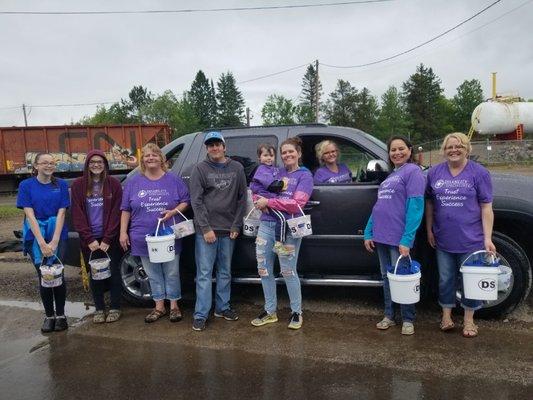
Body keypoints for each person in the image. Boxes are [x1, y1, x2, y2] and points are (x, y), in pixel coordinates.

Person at [425, 132, 496, 338]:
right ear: (444, 150)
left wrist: (487, 238)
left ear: (467, 148)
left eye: (459, 146)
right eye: (449, 147)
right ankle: (446, 316)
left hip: (471, 239)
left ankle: (468, 320)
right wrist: (429, 229)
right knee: (446, 279)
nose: (454, 150)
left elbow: (486, 207)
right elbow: (430, 203)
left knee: (469, 281)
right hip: (443, 238)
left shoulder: (479, 173)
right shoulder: (435, 173)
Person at [120, 143, 190, 323]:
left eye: (154, 155)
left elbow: (185, 200)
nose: (150, 158)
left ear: (162, 159)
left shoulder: (173, 180)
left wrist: (173, 212)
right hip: (142, 236)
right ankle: (159, 306)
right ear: (142, 160)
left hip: (168, 235)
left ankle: (174, 305)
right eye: (146, 156)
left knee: (172, 272)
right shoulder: (134, 182)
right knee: (152, 273)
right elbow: (125, 209)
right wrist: (123, 233)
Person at [363, 135, 425, 335]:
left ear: (410, 149)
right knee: (386, 277)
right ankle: (389, 315)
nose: (397, 153)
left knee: (403, 277)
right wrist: (368, 232)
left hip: (398, 238)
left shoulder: (413, 172)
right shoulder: (390, 176)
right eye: (393, 150)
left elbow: (416, 207)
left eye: (401, 149)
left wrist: (407, 239)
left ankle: (408, 319)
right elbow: (379, 207)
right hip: (381, 236)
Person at [251, 137, 314, 330]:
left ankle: (296, 312)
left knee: (287, 270)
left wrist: (268, 203)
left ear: (299, 153)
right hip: (266, 226)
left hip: (287, 230)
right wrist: (256, 198)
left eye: (290, 151)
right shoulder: (275, 172)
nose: (287, 155)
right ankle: (270, 312)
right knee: (264, 270)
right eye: (284, 152)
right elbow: (256, 190)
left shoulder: (304, 176)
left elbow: (297, 204)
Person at [189, 131, 247, 331]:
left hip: (229, 230)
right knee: (204, 273)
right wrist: (205, 228)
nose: (214, 148)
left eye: (217, 144)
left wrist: (236, 225)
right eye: (210, 145)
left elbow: (242, 199)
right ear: (207, 148)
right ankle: (201, 314)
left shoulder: (237, 168)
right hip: (207, 232)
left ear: (224, 146)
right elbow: (195, 201)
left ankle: (222, 308)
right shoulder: (200, 169)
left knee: (225, 272)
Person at [16, 153, 70, 333]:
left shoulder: (61, 184)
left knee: (58, 274)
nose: (49, 165)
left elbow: (62, 212)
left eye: (52, 163)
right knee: (44, 276)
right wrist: (42, 243)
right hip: (35, 233)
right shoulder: (26, 185)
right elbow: (29, 214)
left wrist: (54, 241)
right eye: (45, 163)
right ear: (36, 166)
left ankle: (61, 315)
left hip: (57, 232)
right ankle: (49, 315)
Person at [71, 150, 123, 324]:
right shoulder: (78, 186)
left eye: (100, 162)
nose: (96, 165)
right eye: (92, 162)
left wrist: (108, 238)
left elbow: (117, 212)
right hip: (90, 241)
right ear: (87, 164)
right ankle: (99, 308)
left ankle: (115, 306)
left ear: (105, 165)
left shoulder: (114, 184)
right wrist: (89, 239)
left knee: (114, 273)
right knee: (95, 275)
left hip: (110, 239)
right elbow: (77, 214)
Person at [249, 143, 290, 255]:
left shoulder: (272, 169)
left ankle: (279, 243)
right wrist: (283, 183)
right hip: (266, 200)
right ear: (259, 157)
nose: (269, 158)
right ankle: (279, 245)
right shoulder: (262, 169)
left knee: (281, 219)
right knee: (281, 219)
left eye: (271, 156)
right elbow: (272, 186)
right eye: (265, 155)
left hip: (271, 200)